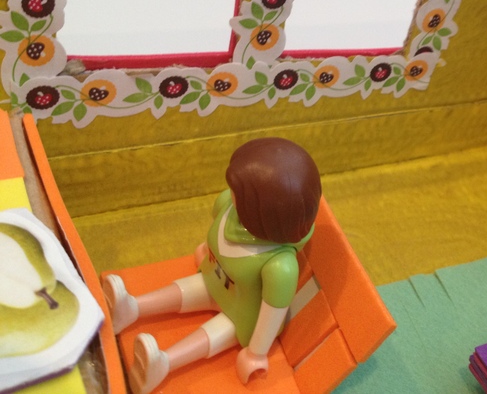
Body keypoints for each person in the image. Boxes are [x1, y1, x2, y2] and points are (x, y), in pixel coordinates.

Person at [102, 138, 322, 394]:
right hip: (215, 279)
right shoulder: (229, 207)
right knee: (191, 287)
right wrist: (207, 252)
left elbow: (271, 314)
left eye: (241, 193)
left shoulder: (280, 266)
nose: (232, 193)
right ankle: (132, 307)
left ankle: (165, 363)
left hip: (242, 314)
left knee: (218, 329)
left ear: (265, 212)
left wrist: (256, 353)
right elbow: (218, 240)